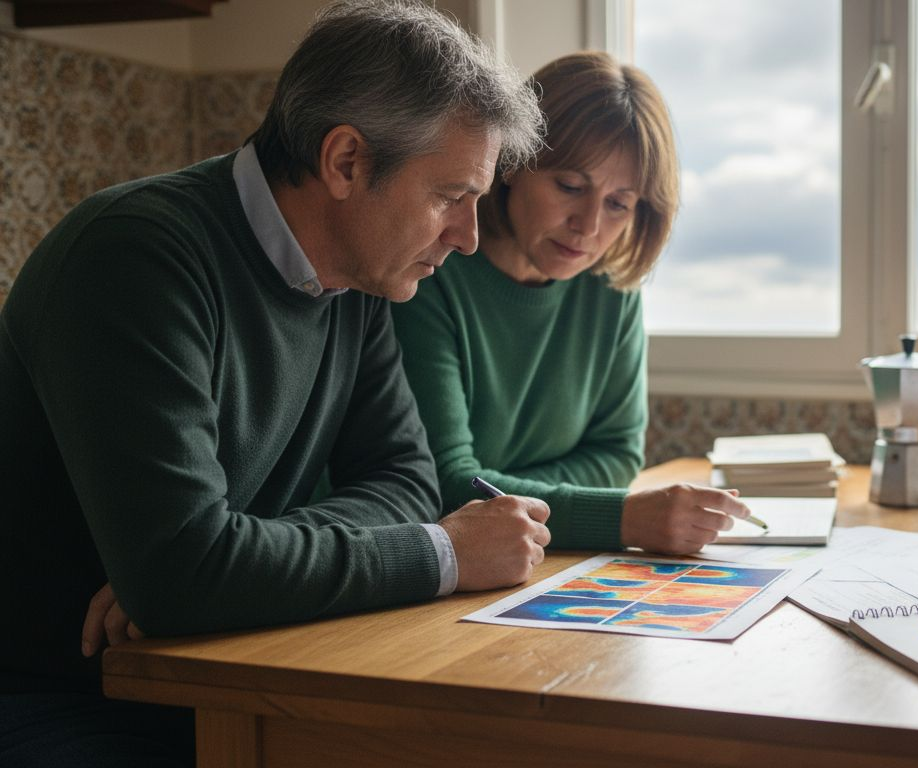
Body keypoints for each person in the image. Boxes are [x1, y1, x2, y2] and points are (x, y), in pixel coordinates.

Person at [0, 2, 546, 765]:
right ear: (346, 161)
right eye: (451, 196)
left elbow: (405, 479)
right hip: (65, 697)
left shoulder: (359, 280)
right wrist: (445, 554)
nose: (469, 235)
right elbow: (187, 575)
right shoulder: (134, 259)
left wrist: (230, 567)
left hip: (227, 656)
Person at [392, 51, 751, 556]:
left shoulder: (610, 289)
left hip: (530, 555)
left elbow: (617, 455)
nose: (588, 226)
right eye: (569, 186)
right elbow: (443, 482)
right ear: (513, 162)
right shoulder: (428, 274)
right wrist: (620, 517)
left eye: (618, 203)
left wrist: (503, 492)